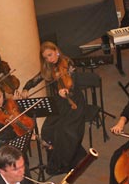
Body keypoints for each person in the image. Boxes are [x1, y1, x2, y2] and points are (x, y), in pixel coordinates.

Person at [22, 41, 86, 176]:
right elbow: (36, 79)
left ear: (56, 51)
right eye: (46, 57)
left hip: (74, 103)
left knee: (63, 131)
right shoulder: (49, 68)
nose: (49, 59)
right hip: (60, 103)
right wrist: (26, 88)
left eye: (50, 55)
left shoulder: (68, 63)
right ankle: (56, 159)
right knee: (47, 130)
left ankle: (64, 163)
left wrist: (67, 91)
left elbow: (74, 83)